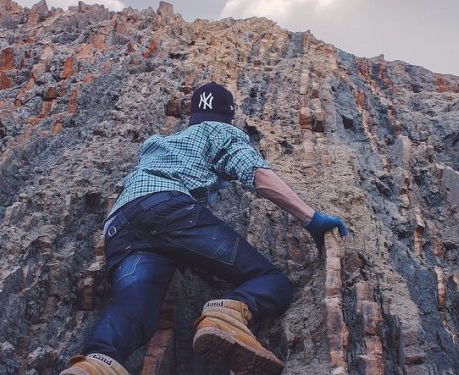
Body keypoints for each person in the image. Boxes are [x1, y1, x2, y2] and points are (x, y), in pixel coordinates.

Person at [61, 82, 348, 375]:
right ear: (229, 115)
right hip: (168, 209)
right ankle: (225, 314)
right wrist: (311, 218)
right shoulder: (220, 131)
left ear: (192, 115)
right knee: (270, 280)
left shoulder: (157, 143)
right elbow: (256, 174)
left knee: (134, 308)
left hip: (120, 225)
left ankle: (95, 364)